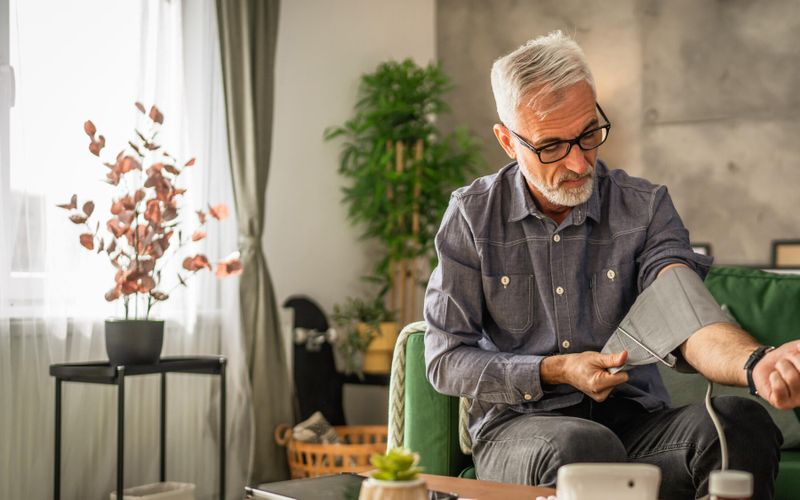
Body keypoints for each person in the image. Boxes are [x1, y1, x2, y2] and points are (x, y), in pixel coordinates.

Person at [423, 31, 800, 500]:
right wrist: (555, 370)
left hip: (636, 423)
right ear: (507, 141)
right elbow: (444, 360)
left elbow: (687, 316)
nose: (580, 163)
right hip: (519, 429)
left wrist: (757, 361)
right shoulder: (471, 216)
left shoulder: (644, 208)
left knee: (739, 422)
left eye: (588, 134)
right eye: (552, 147)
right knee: (582, 444)